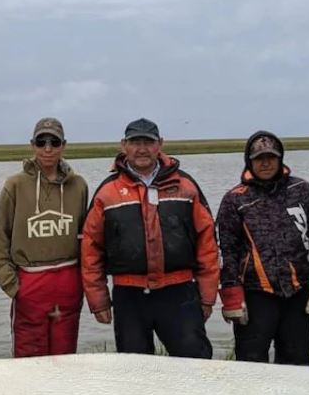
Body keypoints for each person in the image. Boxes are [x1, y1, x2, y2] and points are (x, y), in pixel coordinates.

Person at [80, 117, 219, 357]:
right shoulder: (107, 192)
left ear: (160, 144)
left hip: (180, 292)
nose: (142, 149)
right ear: (124, 146)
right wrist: (98, 300)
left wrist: (207, 296)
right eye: (135, 142)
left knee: (196, 366)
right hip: (129, 296)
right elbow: (91, 250)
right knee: (135, 373)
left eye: (148, 142)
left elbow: (207, 244)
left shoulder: (186, 186)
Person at [217, 131, 309, 365]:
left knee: (298, 361)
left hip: (297, 293)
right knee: (251, 364)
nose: (266, 163)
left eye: (271, 157)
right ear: (249, 161)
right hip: (255, 295)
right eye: (259, 158)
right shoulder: (235, 199)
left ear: (280, 158)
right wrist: (231, 294)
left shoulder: (301, 189)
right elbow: (225, 251)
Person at [0, 117, 89, 357]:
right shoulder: (14, 185)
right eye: (41, 142)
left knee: (65, 359)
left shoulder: (78, 186)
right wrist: (13, 286)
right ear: (32, 144)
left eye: (54, 142)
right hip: (30, 283)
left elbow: (86, 239)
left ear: (63, 145)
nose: (47, 149)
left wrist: (84, 283)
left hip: (67, 283)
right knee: (29, 360)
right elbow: (1, 240)